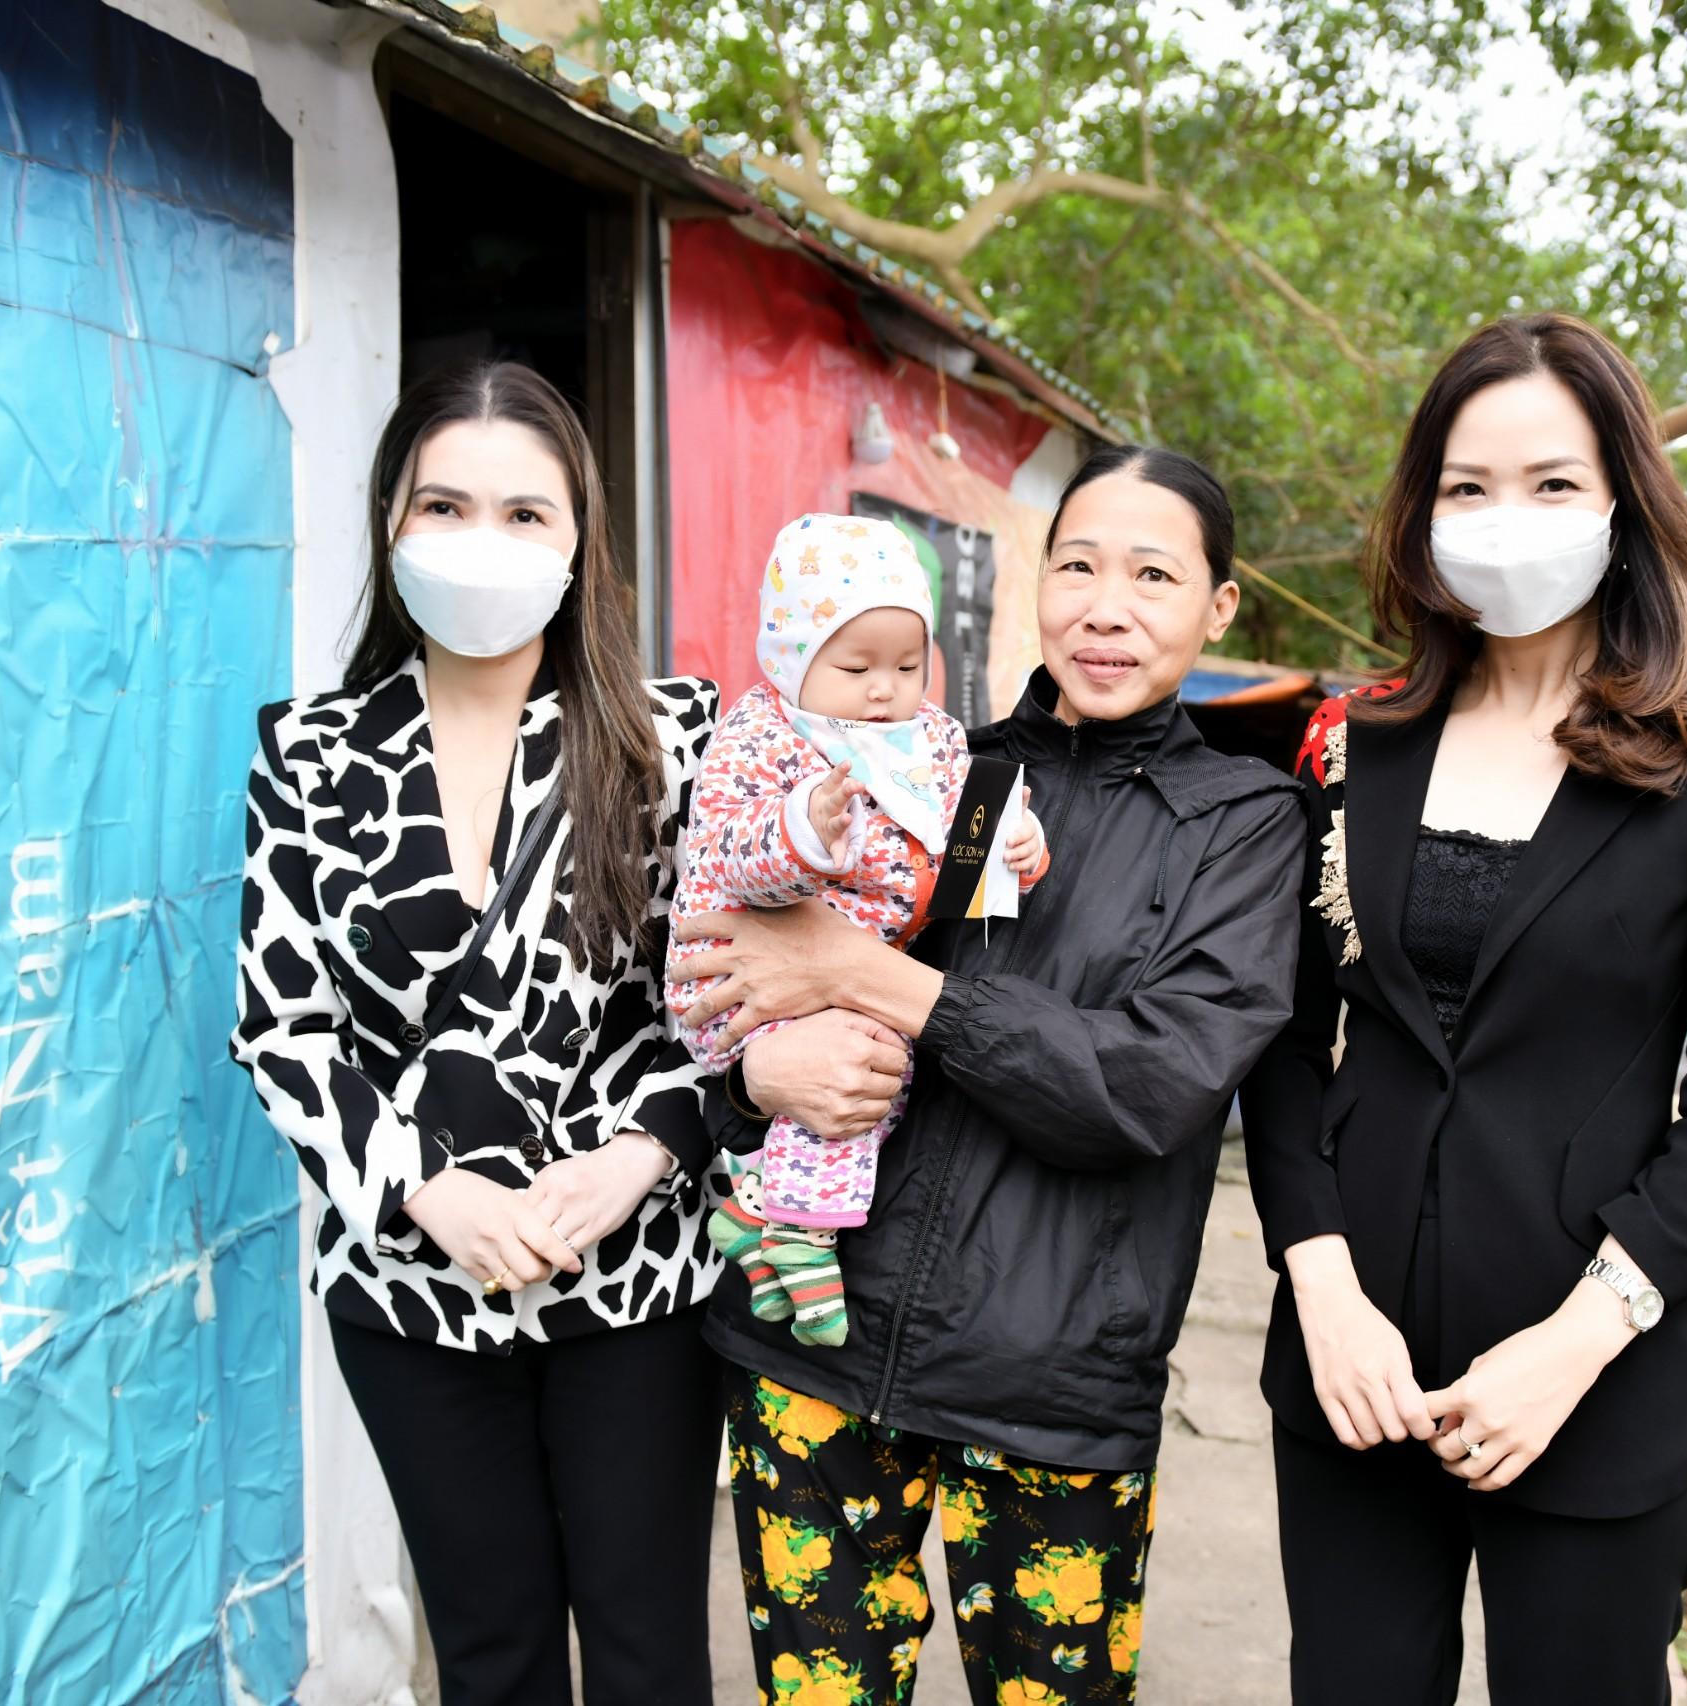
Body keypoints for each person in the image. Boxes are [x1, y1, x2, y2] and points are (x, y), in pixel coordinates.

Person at [1239, 312, 1687, 1705]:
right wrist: (1322, 1288)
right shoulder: (1353, 740)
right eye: (1469, 485)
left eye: (1552, 482)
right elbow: (1283, 1040)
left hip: (1594, 1377)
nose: (1507, 516)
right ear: (1422, 510)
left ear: (1622, 499)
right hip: (1356, 1371)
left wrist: (1574, 1343)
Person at [669, 447, 1304, 1703]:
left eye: (1152, 575)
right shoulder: (913, 765)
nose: (1106, 608)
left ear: (1219, 606)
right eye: (1077, 566)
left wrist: (858, 969)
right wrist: (757, 1080)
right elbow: (735, 991)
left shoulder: (1243, 821)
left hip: (1052, 1391)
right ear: (1035, 582)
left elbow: (1149, 1084)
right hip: (814, 1356)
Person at [230, 361, 723, 1706]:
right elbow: (284, 1024)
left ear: (579, 538)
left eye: (523, 512)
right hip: (409, 1283)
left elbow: (725, 1004)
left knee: (648, 1654)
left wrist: (633, 1162)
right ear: (390, 521)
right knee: (491, 1657)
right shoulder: (313, 753)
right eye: (443, 505)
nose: (479, 540)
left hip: (634, 1275)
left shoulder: (672, 739)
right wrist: (423, 1188)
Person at [668, 512, 1046, 1348]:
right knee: (858, 1063)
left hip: (851, 971)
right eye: (855, 666)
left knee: (882, 1073)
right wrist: (803, 830)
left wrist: (1016, 842)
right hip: (737, 967)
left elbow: (968, 823)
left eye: (908, 666)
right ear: (791, 657)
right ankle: (803, 1233)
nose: (885, 689)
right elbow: (726, 851)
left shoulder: (930, 738)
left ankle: (756, 1210)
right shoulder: (762, 735)